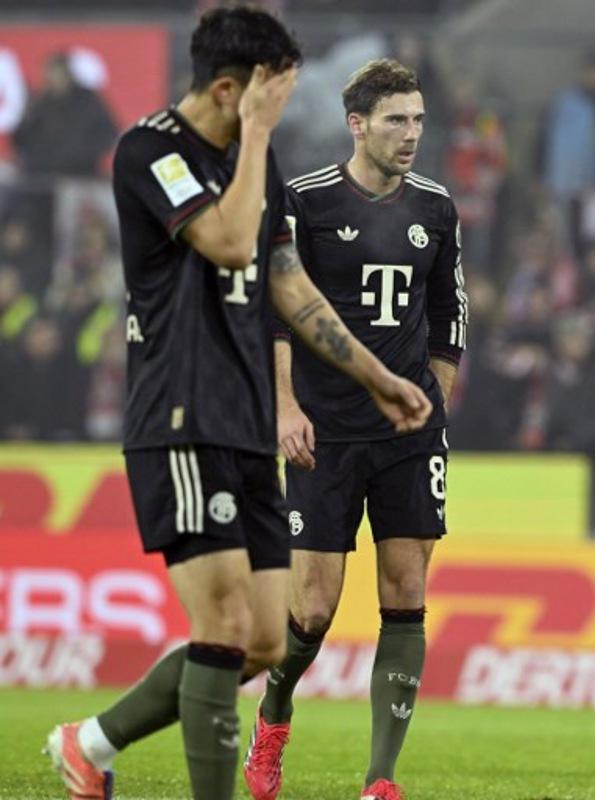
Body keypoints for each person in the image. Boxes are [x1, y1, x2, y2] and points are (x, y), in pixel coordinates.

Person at [43, 9, 431, 800]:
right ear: (232, 89)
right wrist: (255, 138)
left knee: (258, 641)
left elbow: (287, 281)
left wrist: (376, 377)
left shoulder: (257, 158)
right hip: (183, 415)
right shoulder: (151, 150)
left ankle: (90, 742)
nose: (280, 112)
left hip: (248, 420)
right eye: (272, 96)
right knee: (221, 631)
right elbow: (223, 241)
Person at [242, 59, 467, 800]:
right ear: (358, 124)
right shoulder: (304, 201)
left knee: (406, 590)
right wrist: (284, 408)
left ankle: (380, 780)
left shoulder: (436, 209)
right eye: (397, 120)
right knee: (313, 607)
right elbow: (274, 312)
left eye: (419, 120)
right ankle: (273, 714)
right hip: (324, 431)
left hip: (407, 438)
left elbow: (449, 321)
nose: (411, 135)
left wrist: (433, 403)